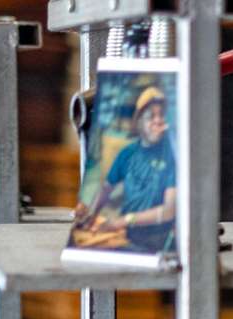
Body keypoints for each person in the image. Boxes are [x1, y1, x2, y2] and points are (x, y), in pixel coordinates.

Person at [74, 85, 176, 253]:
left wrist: (122, 221)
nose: (158, 121)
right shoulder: (127, 153)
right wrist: (90, 213)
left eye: (161, 116)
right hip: (129, 237)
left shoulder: (171, 154)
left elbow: (168, 211)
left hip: (160, 241)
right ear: (139, 122)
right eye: (151, 116)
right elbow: (106, 189)